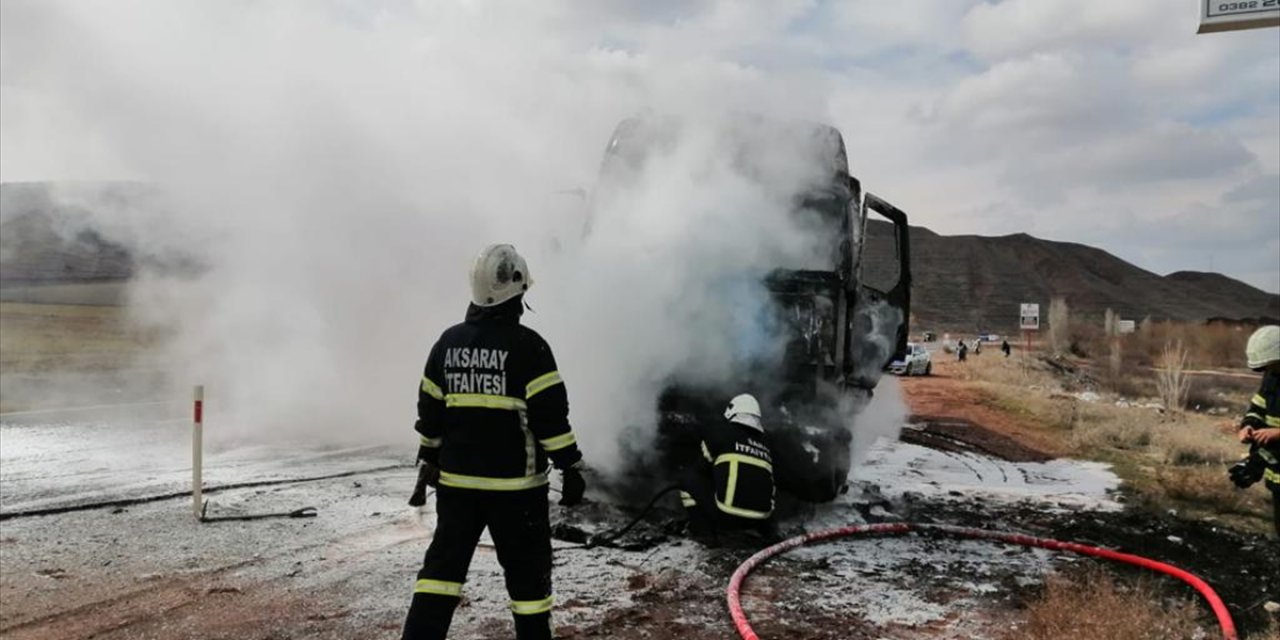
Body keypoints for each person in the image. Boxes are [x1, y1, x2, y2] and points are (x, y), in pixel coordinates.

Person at [402, 244, 587, 640]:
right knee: (528, 589)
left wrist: (428, 455)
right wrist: (571, 466)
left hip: (457, 487)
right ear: (517, 291)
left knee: (440, 575)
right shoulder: (530, 347)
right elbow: (550, 419)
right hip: (516, 492)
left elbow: (430, 410)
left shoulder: (447, 343)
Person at [678, 394, 776, 544]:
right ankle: (767, 533)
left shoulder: (721, 432)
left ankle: (703, 533)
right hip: (761, 518)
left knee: (687, 479)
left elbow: (701, 469)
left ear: (732, 411)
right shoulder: (766, 442)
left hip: (727, 516)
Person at [1229, 325, 1279, 537]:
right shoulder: (1272, 377)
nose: (1267, 371)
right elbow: (1258, 407)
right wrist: (1248, 425)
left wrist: (1278, 433)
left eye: (1270, 365)